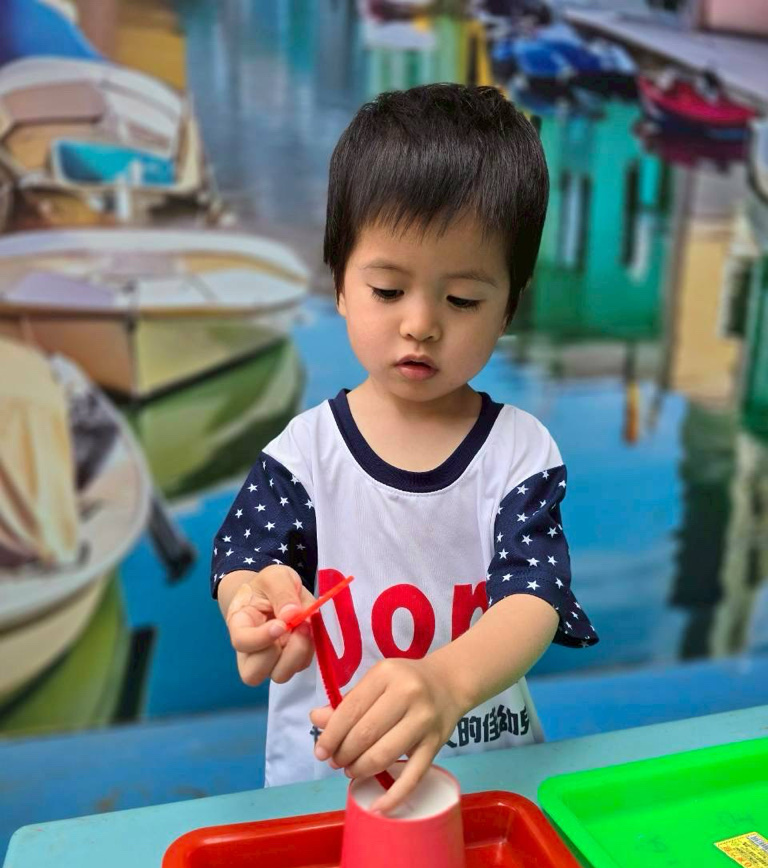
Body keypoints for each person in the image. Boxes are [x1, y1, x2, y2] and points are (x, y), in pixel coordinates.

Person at [211, 83, 598, 813]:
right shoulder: (305, 454)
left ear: (509, 306)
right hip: (328, 789)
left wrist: (447, 683)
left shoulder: (519, 452)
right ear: (340, 283)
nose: (421, 324)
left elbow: (535, 596)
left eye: (462, 300)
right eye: (388, 290)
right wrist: (253, 605)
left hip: (487, 784)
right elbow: (243, 561)